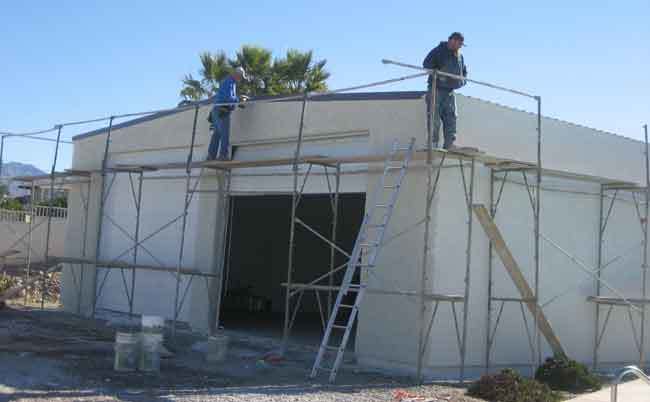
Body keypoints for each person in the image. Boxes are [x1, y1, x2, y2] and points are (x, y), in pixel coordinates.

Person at [422, 32, 468, 150]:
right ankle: (433, 144)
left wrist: (462, 81)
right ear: (452, 41)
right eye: (459, 44)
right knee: (434, 117)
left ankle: (449, 143)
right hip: (436, 89)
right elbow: (426, 64)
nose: (459, 47)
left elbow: (464, 71)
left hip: (450, 91)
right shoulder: (439, 51)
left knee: (451, 117)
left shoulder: (459, 56)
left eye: (461, 45)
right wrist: (438, 74)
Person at [207, 67, 248, 160]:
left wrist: (237, 99)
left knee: (217, 134)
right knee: (225, 134)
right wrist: (239, 99)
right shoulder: (229, 82)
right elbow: (228, 98)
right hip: (223, 110)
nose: (240, 79)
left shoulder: (226, 81)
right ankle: (223, 155)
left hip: (216, 110)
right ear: (237, 75)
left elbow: (223, 96)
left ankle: (211, 155)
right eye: (241, 77)